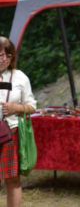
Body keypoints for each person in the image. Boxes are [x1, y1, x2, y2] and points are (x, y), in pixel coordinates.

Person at [0, 36, 37, 207]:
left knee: (12, 180)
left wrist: (16, 108)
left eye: (8, 55)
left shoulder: (19, 77)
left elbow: (32, 107)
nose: (4, 59)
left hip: (9, 135)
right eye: (0, 55)